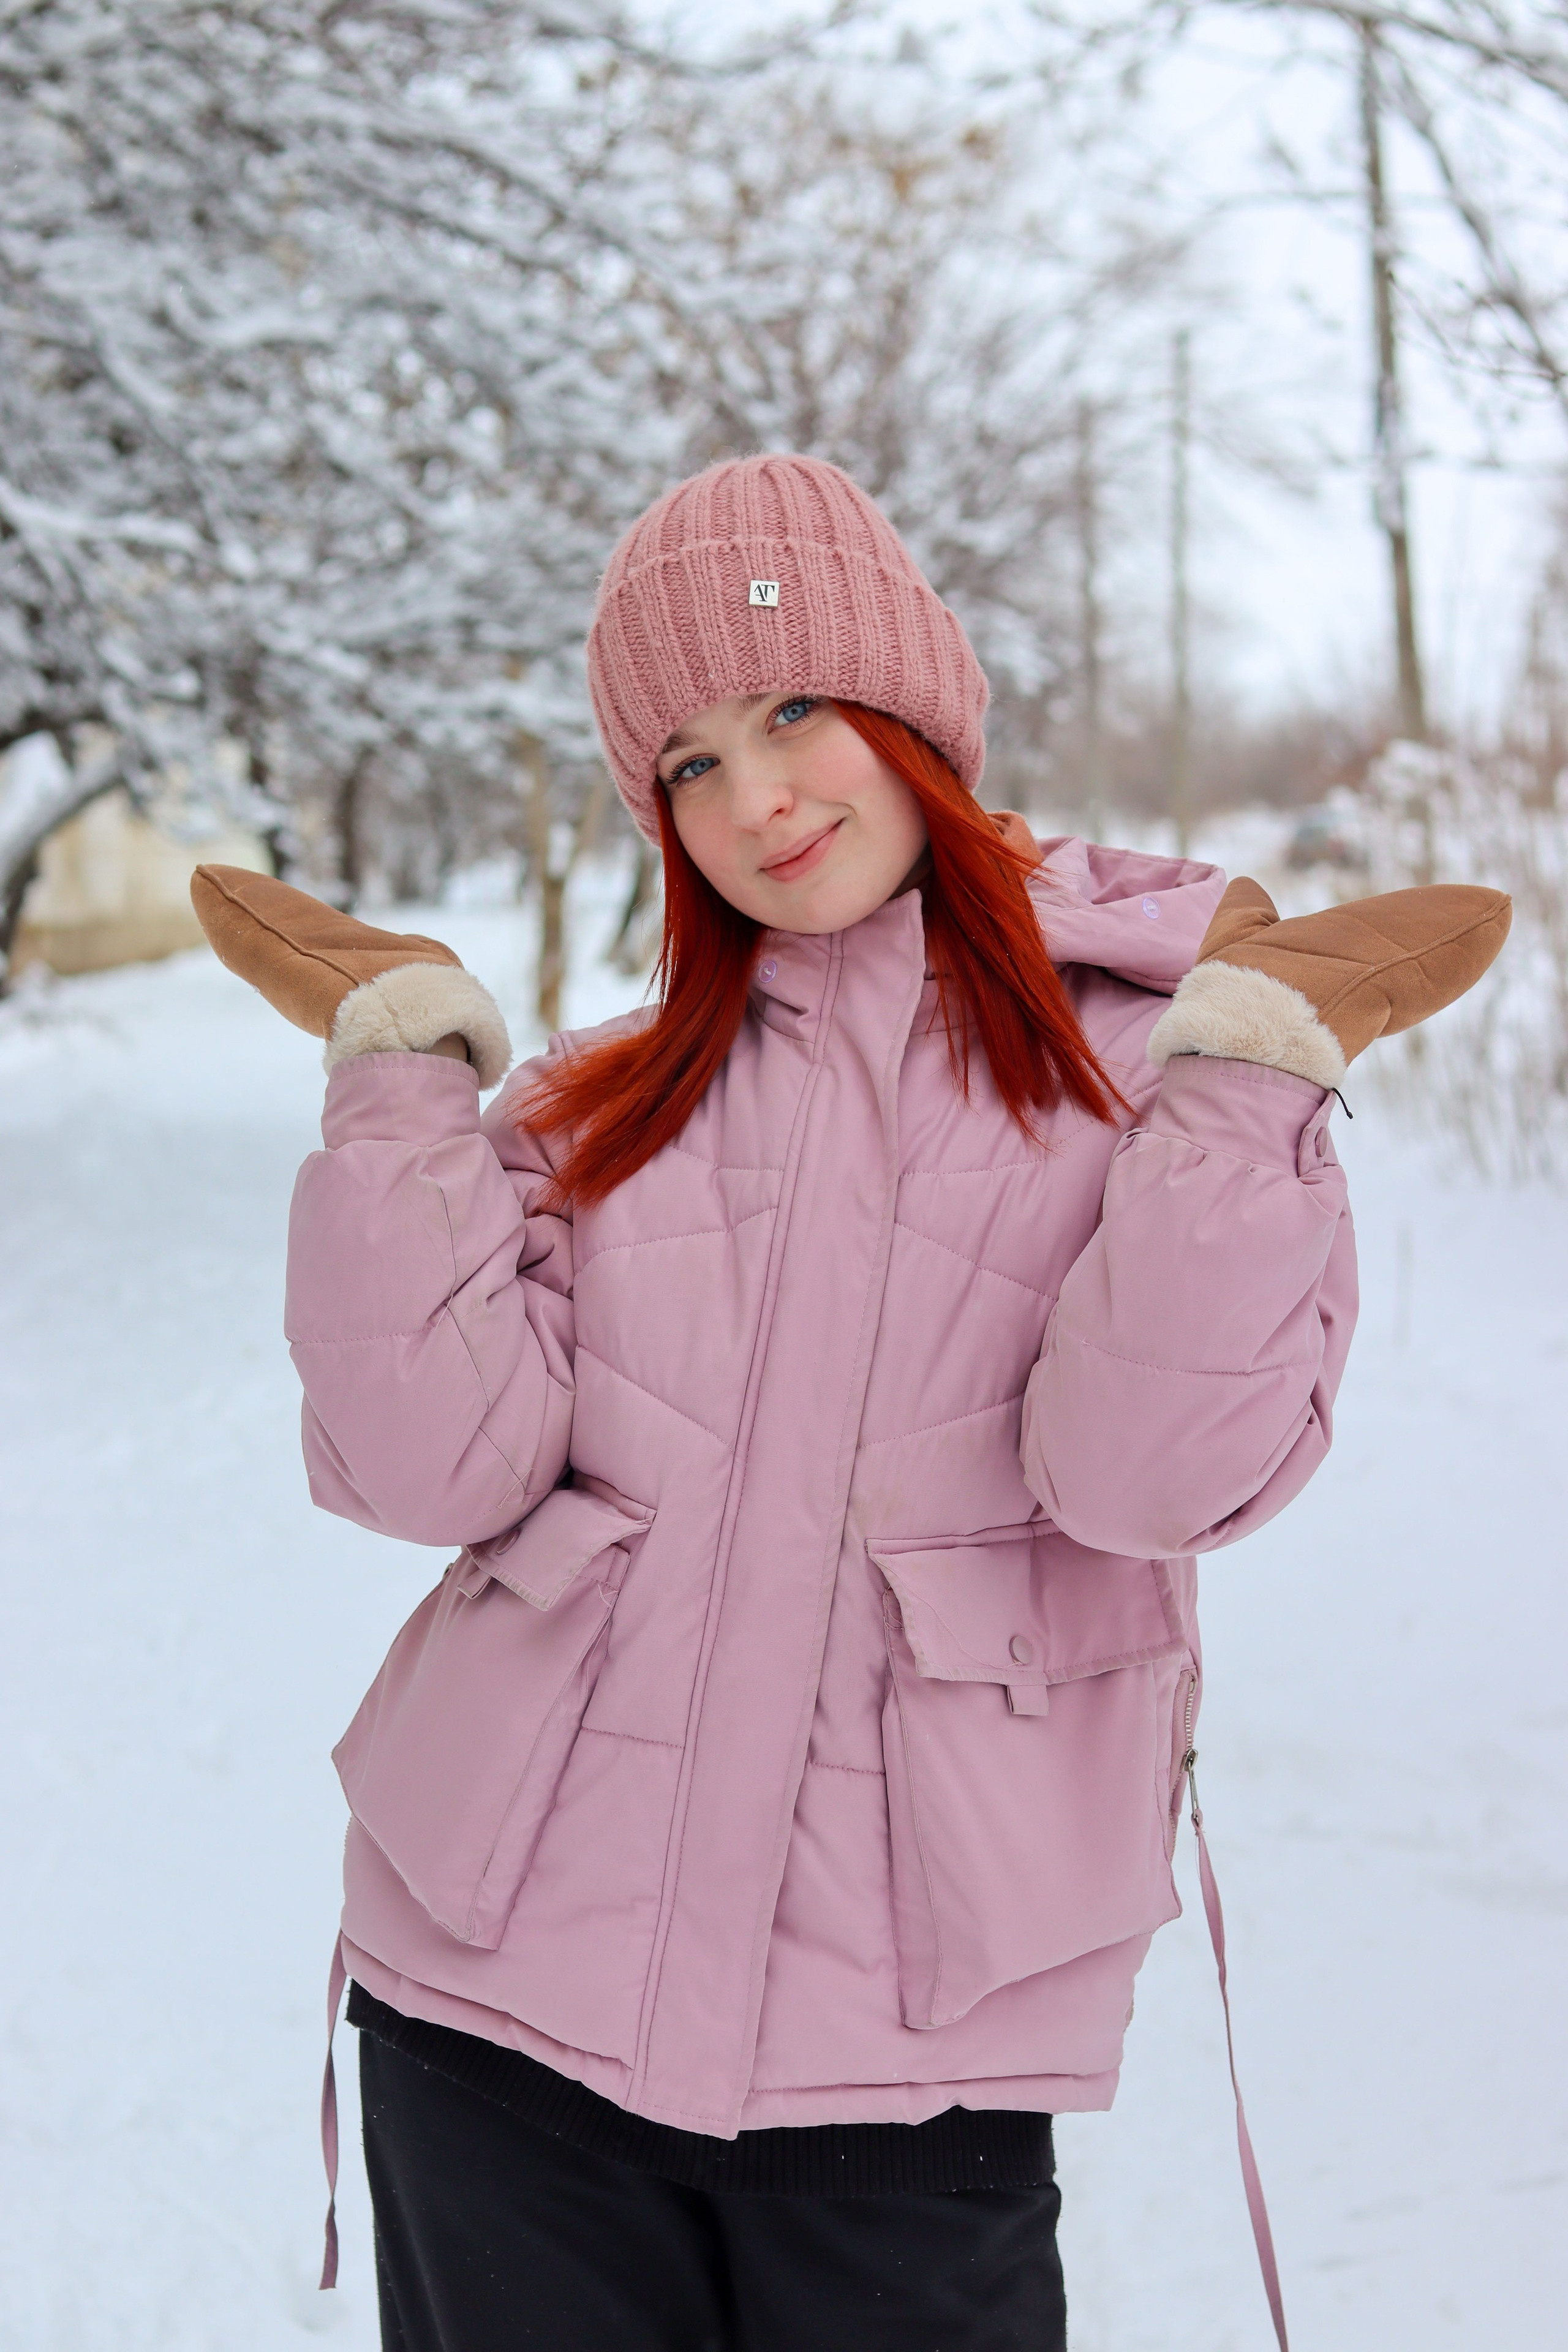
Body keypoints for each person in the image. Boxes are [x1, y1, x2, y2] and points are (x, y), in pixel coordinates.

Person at [193, 454, 1509, 2352]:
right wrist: (405, 1092)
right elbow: (430, 1469)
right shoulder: (601, 1097)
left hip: (907, 2065)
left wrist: (1244, 1093)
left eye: (794, 706)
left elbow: (1146, 1481)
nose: (757, 798)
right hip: (491, 2016)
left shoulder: (1161, 1073)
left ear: (914, 707)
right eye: (690, 765)